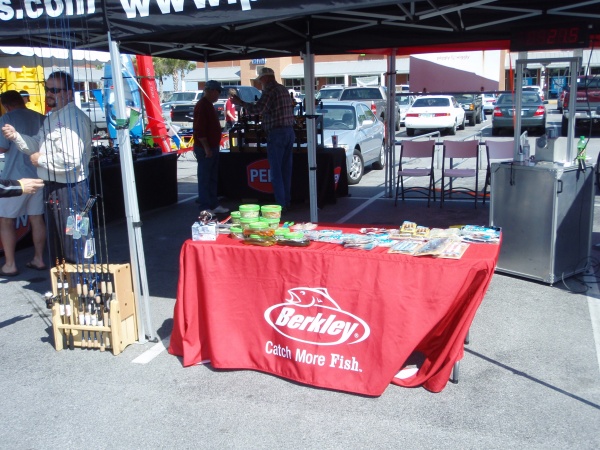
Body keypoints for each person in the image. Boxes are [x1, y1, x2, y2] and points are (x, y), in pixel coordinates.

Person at [2, 71, 93, 264]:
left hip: (72, 190)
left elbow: (72, 160)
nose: (49, 93)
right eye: (47, 89)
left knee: (76, 240)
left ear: (69, 93)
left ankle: (83, 279)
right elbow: (37, 143)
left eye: (54, 90)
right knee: (59, 245)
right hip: (54, 188)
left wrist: (41, 160)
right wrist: (16, 137)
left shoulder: (74, 119)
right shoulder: (52, 117)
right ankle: (66, 280)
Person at [231, 67, 295, 211]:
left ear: (265, 78)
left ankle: (281, 204)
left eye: (260, 80)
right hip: (289, 131)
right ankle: (287, 201)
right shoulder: (283, 89)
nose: (260, 83)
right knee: (286, 170)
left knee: (276, 172)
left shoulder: (270, 90)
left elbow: (258, 109)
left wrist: (241, 102)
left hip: (276, 133)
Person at [0, 90, 46, 277]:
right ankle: (39, 259)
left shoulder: (7, 119)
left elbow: (2, 147)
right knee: (36, 218)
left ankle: (10, 264)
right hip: (38, 175)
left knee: (6, 220)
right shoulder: (41, 117)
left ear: (6, 105)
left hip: (16, 179)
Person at [193, 80, 229, 214]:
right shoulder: (202, 106)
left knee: (212, 177)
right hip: (205, 148)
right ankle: (205, 207)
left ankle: (213, 204)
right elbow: (199, 130)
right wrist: (206, 148)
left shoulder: (208, 105)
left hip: (212, 146)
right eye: (218, 92)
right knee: (205, 178)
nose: (218, 95)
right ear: (212, 91)